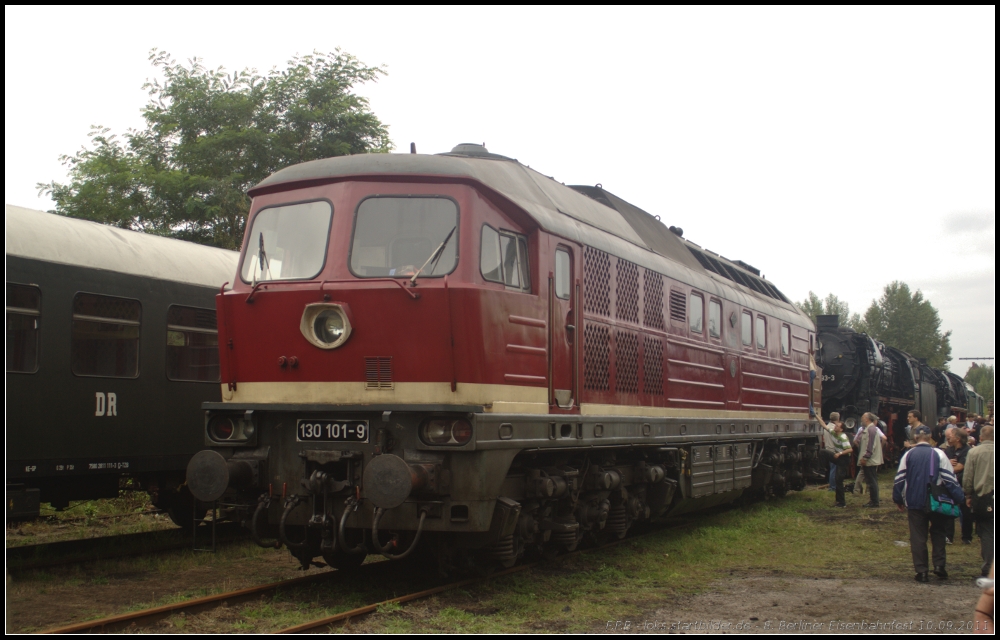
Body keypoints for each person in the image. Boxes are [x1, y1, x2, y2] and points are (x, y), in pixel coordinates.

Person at [893, 425, 964, 582]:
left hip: (914, 501)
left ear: (916, 437)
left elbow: (899, 478)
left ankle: (922, 571)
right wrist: (959, 498)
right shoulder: (939, 453)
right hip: (936, 501)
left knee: (918, 536)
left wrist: (898, 499)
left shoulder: (908, 454)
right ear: (931, 436)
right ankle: (939, 566)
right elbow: (949, 478)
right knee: (938, 533)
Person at [964, 425, 994, 577]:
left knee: (987, 531)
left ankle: (989, 565)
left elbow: (968, 476)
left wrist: (968, 494)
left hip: (983, 496)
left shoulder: (974, 452)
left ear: (980, 438)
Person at [944, 426, 973, 544]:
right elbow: (943, 463)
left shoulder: (967, 451)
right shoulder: (949, 450)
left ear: (958, 438)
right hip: (950, 484)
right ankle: (948, 536)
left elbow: (961, 466)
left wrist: (948, 467)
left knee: (965, 511)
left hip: (963, 483)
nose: (948, 439)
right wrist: (948, 463)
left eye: (950, 437)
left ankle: (967, 537)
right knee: (949, 509)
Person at [816, 414, 852, 507]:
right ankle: (821, 470)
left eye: (837, 426)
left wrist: (839, 453)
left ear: (841, 429)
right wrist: (817, 416)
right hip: (838, 457)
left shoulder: (842, 437)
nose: (835, 426)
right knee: (822, 452)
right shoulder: (833, 433)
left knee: (838, 480)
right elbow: (823, 425)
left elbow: (850, 449)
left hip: (843, 459)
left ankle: (841, 502)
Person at [856, 412, 884, 507]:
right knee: (872, 480)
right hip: (870, 460)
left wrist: (865, 457)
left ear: (867, 419)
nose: (861, 419)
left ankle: (874, 502)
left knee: (871, 481)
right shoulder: (870, 429)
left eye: (863, 417)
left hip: (870, 460)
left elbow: (870, 445)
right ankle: (874, 500)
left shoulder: (870, 430)